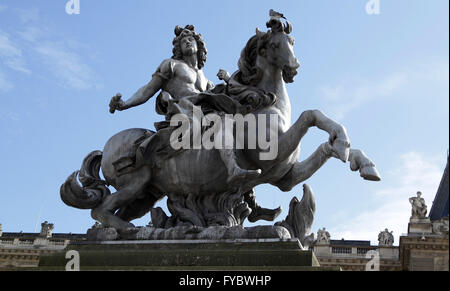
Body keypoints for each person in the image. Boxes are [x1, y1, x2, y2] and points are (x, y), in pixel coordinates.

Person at [109, 25, 260, 184]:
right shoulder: (171, 65)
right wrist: (124, 104)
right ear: (179, 48)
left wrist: (228, 79)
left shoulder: (205, 80)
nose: (188, 42)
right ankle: (232, 169)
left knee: (241, 124)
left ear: (199, 46)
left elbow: (226, 94)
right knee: (221, 120)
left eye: (191, 39)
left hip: (204, 110)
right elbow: (147, 90)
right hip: (183, 112)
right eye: (183, 41)